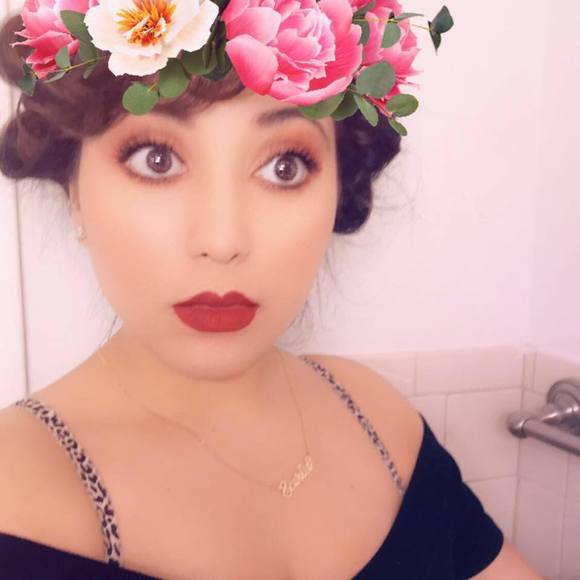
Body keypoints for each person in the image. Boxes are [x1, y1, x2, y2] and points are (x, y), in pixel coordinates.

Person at [0, 1, 541, 578]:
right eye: (157, 160)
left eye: (285, 166)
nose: (223, 240)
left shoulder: (380, 421)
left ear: (338, 187)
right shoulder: (17, 490)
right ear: (74, 191)